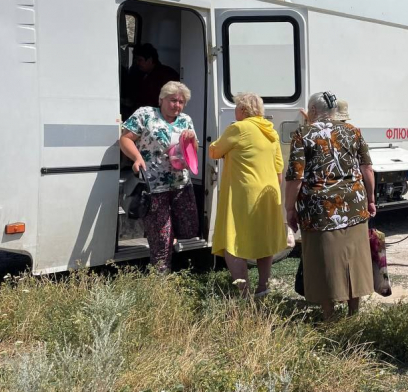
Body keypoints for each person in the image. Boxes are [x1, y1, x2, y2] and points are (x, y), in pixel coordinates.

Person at [284, 92, 376, 321]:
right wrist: (371, 199)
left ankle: (329, 315)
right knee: (355, 259)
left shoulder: (303, 134)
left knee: (323, 259)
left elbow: (296, 176)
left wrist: (289, 208)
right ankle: (354, 312)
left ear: (313, 111)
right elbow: (367, 169)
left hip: (319, 209)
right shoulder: (353, 131)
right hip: (354, 204)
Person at [209, 92, 288, 298]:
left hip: (243, 193)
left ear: (242, 110)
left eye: (236, 107)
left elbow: (214, 151)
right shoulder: (271, 131)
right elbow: (279, 169)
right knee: (263, 240)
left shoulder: (239, 128)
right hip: (267, 193)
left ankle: (244, 293)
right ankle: (263, 286)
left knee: (233, 240)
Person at [120, 81, 200, 273]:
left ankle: (168, 249)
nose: (177, 106)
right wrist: (137, 157)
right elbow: (125, 138)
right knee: (161, 233)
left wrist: (190, 139)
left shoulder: (185, 120)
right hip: (154, 185)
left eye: (181, 102)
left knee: (188, 227)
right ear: (161, 99)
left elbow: (193, 150)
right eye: (173, 100)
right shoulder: (146, 114)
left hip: (181, 183)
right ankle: (161, 277)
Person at [129, 43, 180, 111]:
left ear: (150, 60)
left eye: (140, 60)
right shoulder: (140, 74)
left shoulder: (166, 75)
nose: (137, 63)